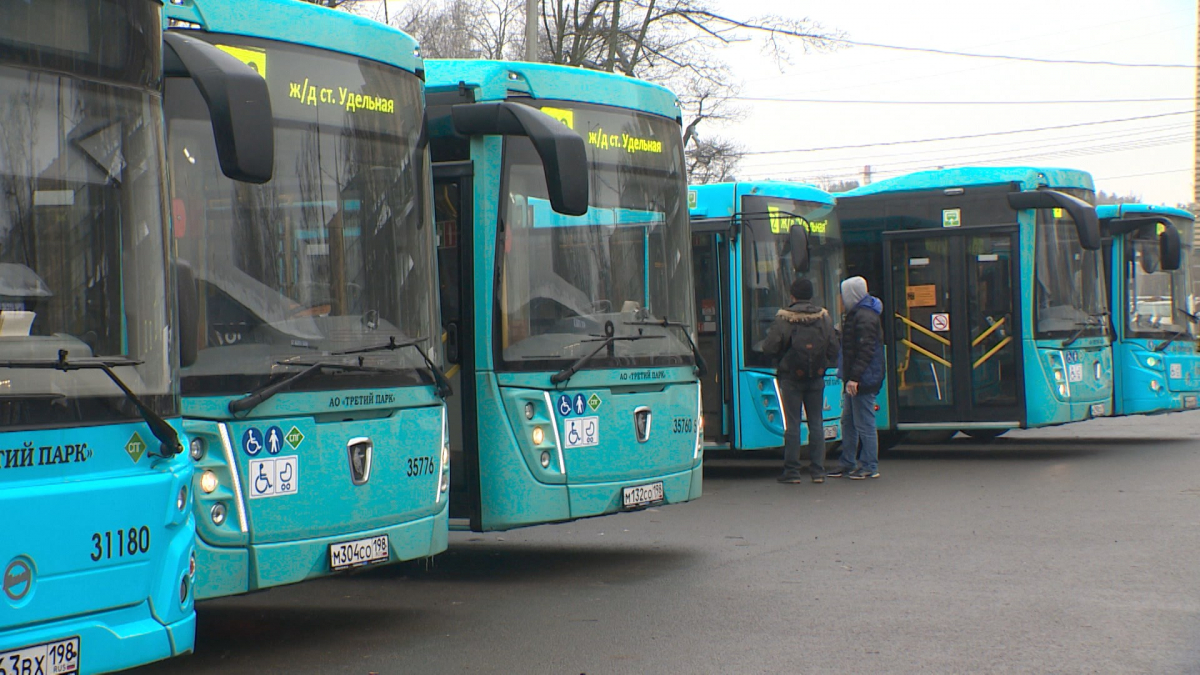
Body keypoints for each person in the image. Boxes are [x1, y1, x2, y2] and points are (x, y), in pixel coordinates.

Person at [761, 277, 838, 484]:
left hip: (791, 378)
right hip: (816, 377)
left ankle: (792, 472)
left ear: (792, 295)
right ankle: (818, 471)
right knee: (816, 422)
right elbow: (833, 347)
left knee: (793, 424)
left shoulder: (784, 318)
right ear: (811, 295)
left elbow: (769, 347)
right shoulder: (824, 318)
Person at [828, 276, 885, 480]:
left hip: (862, 379)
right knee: (849, 421)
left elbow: (865, 350)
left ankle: (869, 465)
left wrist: (854, 378)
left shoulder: (863, 316)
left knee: (864, 423)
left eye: (843, 294)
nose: (841, 299)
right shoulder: (859, 314)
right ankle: (848, 462)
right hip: (858, 377)